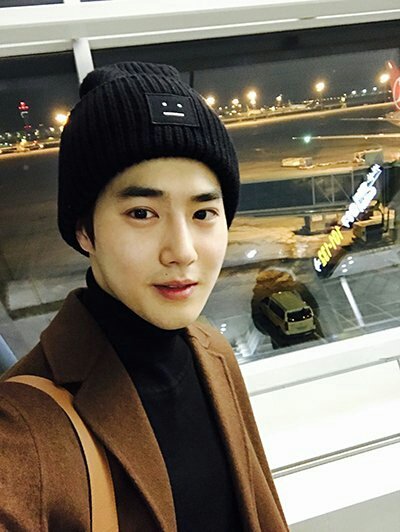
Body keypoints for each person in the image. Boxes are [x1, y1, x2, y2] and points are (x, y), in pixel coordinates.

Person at [0, 61, 288, 531]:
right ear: (84, 231)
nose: (182, 251)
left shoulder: (212, 352)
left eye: (203, 213)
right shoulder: (22, 425)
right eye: (141, 213)